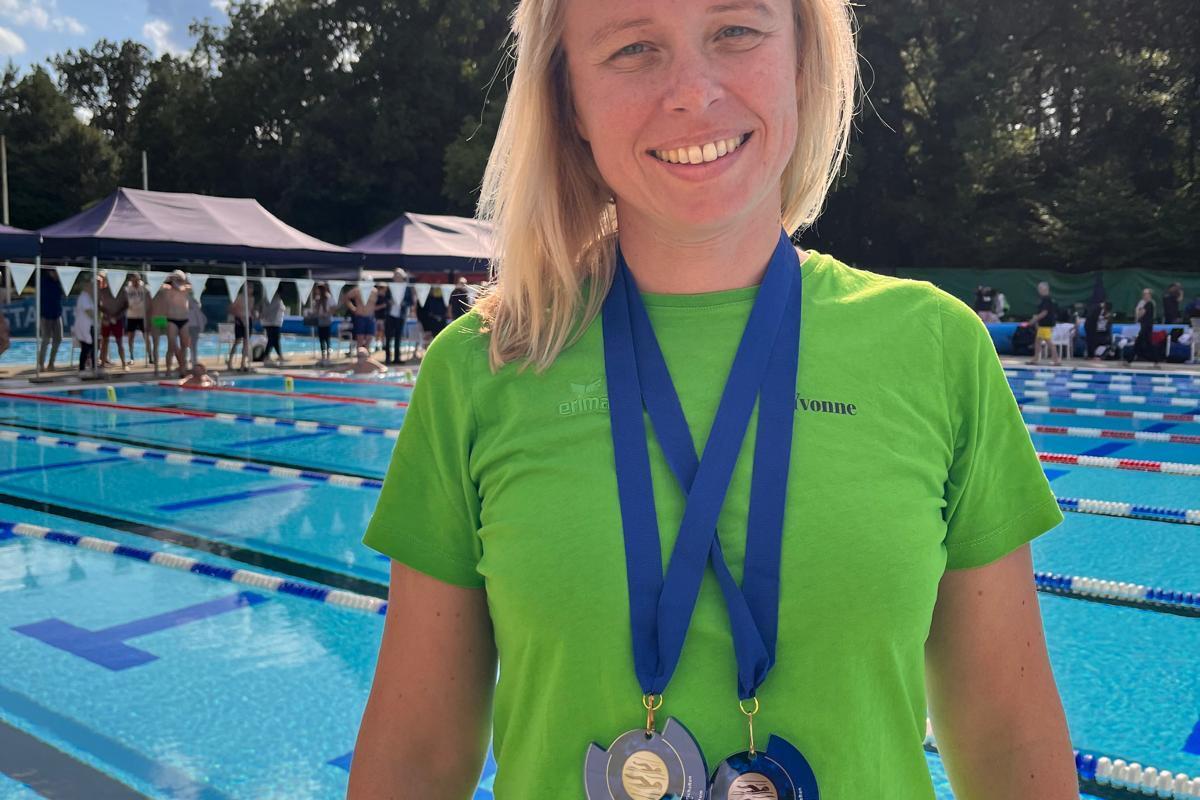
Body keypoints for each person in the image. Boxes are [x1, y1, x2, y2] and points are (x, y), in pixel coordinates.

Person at [348, 1, 1076, 798]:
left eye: (736, 30)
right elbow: (414, 762)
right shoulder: (481, 370)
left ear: (802, 58)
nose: (693, 92)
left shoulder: (934, 348)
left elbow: (1010, 744)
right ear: (567, 101)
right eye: (632, 47)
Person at [159, 270, 192, 377]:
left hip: (184, 320)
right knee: (172, 346)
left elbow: (195, 286)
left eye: (179, 279)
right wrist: (170, 278)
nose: (177, 281)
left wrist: (183, 280)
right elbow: (158, 285)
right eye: (175, 279)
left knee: (184, 345)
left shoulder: (186, 289)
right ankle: (170, 369)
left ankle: (182, 367)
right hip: (171, 320)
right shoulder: (167, 289)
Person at [97, 271, 129, 369]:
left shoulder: (122, 291)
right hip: (106, 319)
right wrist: (107, 313)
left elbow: (126, 305)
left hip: (117, 319)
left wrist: (116, 315)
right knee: (104, 341)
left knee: (119, 342)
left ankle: (124, 364)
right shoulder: (103, 291)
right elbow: (98, 305)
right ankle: (102, 363)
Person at [38, 267, 64, 371]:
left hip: (56, 314)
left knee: (58, 339)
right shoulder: (44, 282)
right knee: (45, 340)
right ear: (51, 272)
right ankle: (41, 364)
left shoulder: (58, 282)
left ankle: (51, 363)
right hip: (46, 315)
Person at [1028, 280, 1060, 366]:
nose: (1039, 290)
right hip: (1044, 324)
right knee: (1037, 341)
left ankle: (1056, 360)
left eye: (1040, 289)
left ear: (1045, 289)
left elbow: (1044, 312)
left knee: (1048, 342)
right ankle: (1035, 359)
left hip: (1046, 324)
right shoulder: (1048, 299)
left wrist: (1034, 320)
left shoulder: (1046, 299)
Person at [383, 271, 412, 364]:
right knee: (388, 337)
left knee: (398, 337)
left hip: (401, 315)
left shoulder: (407, 288)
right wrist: (389, 301)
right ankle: (387, 358)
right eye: (395, 276)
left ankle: (396, 358)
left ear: (402, 277)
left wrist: (404, 304)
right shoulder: (390, 287)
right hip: (390, 314)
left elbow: (410, 301)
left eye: (398, 276)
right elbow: (385, 299)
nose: (396, 278)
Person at [124, 273, 152, 366]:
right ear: (131, 280)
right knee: (130, 337)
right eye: (133, 280)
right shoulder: (128, 288)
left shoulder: (144, 288)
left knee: (146, 336)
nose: (135, 282)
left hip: (142, 315)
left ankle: (150, 357)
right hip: (131, 315)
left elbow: (149, 300)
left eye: (137, 280)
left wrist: (148, 313)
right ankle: (131, 357)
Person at [1128, 287, 1160, 366]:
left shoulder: (1149, 303)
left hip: (1146, 327)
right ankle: (1130, 359)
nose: (1144, 296)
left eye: (1146, 294)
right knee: (1143, 343)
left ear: (1149, 295)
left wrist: (1138, 315)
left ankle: (1130, 359)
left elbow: (1141, 313)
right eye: (1143, 294)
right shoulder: (1144, 303)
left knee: (1141, 343)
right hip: (1145, 326)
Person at [71, 278, 97, 374]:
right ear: (86, 286)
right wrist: (96, 319)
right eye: (91, 286)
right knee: (87, 348)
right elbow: (88, 311)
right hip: (85, 326)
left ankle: (92, 367)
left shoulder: (88, 297)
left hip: (88, 325)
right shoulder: (84, 297)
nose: (93, 288)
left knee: (91, 347)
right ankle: (83, 368)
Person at [344, 283, 380, 351]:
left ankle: (366, 358)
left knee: (369, 339)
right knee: (360, 339)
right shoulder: (357, 290)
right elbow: (346, 297)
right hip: (360, 317)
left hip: (370, 317)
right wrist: (352, 308)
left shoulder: (375, 291)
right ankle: (360, 358)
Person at [308, 282, 336, 363]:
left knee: (327, 338)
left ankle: (328, 355)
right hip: (320, 320)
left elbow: (333, 307)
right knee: (321, 338)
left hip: (327, 320)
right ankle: (323, 355)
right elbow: (315, 310)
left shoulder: (328, 297)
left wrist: (327, 313)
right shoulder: (317, 299)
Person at [227, 284, 252, 371]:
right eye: (249, 288)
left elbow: (250, 310)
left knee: (246, 343)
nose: (250, 290)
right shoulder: (239, 297)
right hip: (239, 320)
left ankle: (242, 363)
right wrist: (238, 317)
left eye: (251, 288)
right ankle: (230, 362)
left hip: (248, 320)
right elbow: (231, 309)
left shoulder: (252, 298)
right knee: (237, 342)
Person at [260, 287, 286, 365]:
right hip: (273, 323)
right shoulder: (275, 299)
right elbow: (270, 311)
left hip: (273, 322)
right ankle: (266, 356)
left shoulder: (271, 298)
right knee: (272, 340)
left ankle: (279, 356)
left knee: (275, 340)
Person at [185, 290, 207, 370]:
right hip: (193, 326)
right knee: (192, 346)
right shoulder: (194, 303)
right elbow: (200, 318)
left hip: (188, 326)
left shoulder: (187, 302)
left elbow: (200, 317)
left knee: (187, 345)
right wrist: (201, 328)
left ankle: (190, 361)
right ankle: (193, 361)